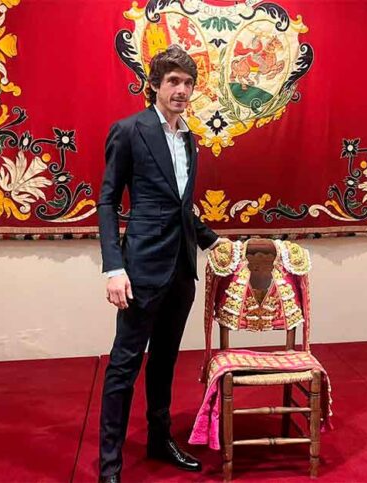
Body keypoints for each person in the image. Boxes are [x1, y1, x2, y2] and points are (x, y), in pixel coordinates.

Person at [97, 44, 228, 483]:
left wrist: (213, 242)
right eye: (173, 81)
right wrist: (114, 268)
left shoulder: (189, 138)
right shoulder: (128, 131)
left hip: (180, 270)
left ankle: (159, 439)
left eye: (188, 83)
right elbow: (107, 201)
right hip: (140, 269)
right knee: (124, 365)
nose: (182, 90)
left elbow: (180, 206)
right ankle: (110, 465)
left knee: (166, 360)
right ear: (154, 84)